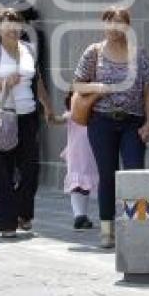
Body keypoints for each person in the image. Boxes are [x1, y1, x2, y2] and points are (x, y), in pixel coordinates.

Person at [73, 5, 149, 248]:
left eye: (120, 23)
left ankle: (138, 227)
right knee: (107, 175)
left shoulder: (139, 55)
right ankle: (108, 229)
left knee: (134, 173)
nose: (114, 28)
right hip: (102, 120)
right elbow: (78, 85)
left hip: (133, 121)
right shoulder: (94, 52)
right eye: (110, 22)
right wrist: (97, 88)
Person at [0, 8, 57, 238]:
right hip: (2, 117)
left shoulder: (28, 49)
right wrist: (3, 83)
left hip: (28, 116)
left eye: (17, 27)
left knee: (31, 170)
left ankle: (23, 212)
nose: (14, 32)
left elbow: (36, 80)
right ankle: (7, 223)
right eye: (8, 29)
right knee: (2, 172)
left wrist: (47, 107)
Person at [56, 94, 97, 231]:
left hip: (89, 157)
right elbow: (60, 120)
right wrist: (50, 116)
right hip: (76, 157)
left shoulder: (95, 120)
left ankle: (82, 215)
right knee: (76, 185)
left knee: (84, 188)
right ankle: (79, 216)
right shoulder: (72, 116)